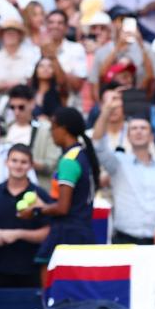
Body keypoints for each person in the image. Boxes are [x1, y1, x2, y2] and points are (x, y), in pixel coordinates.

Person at [19, 107, 97, 285]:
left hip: (68, 234)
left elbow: (62, 207)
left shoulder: (69, 161)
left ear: (64, 129)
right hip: (82, 230)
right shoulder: (81, 155)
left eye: (53, 128)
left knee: (54, 291)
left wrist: (36, 211)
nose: (51, 133)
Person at [93, 116, 155, 245]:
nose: (139, 131)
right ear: (128, 137)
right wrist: (106, 111)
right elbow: (99, 146)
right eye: (133, 129)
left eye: (143, 128)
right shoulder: (118, 162)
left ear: (152, 136)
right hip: (124, 239)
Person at [0, 144, 50, 287]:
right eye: (14, 161)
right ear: (6, 162)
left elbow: (48, 233)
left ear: (30, 166)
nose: (18, 166)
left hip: (31, 269)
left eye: (23, 162)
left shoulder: (40, 195)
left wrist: (18, 234)